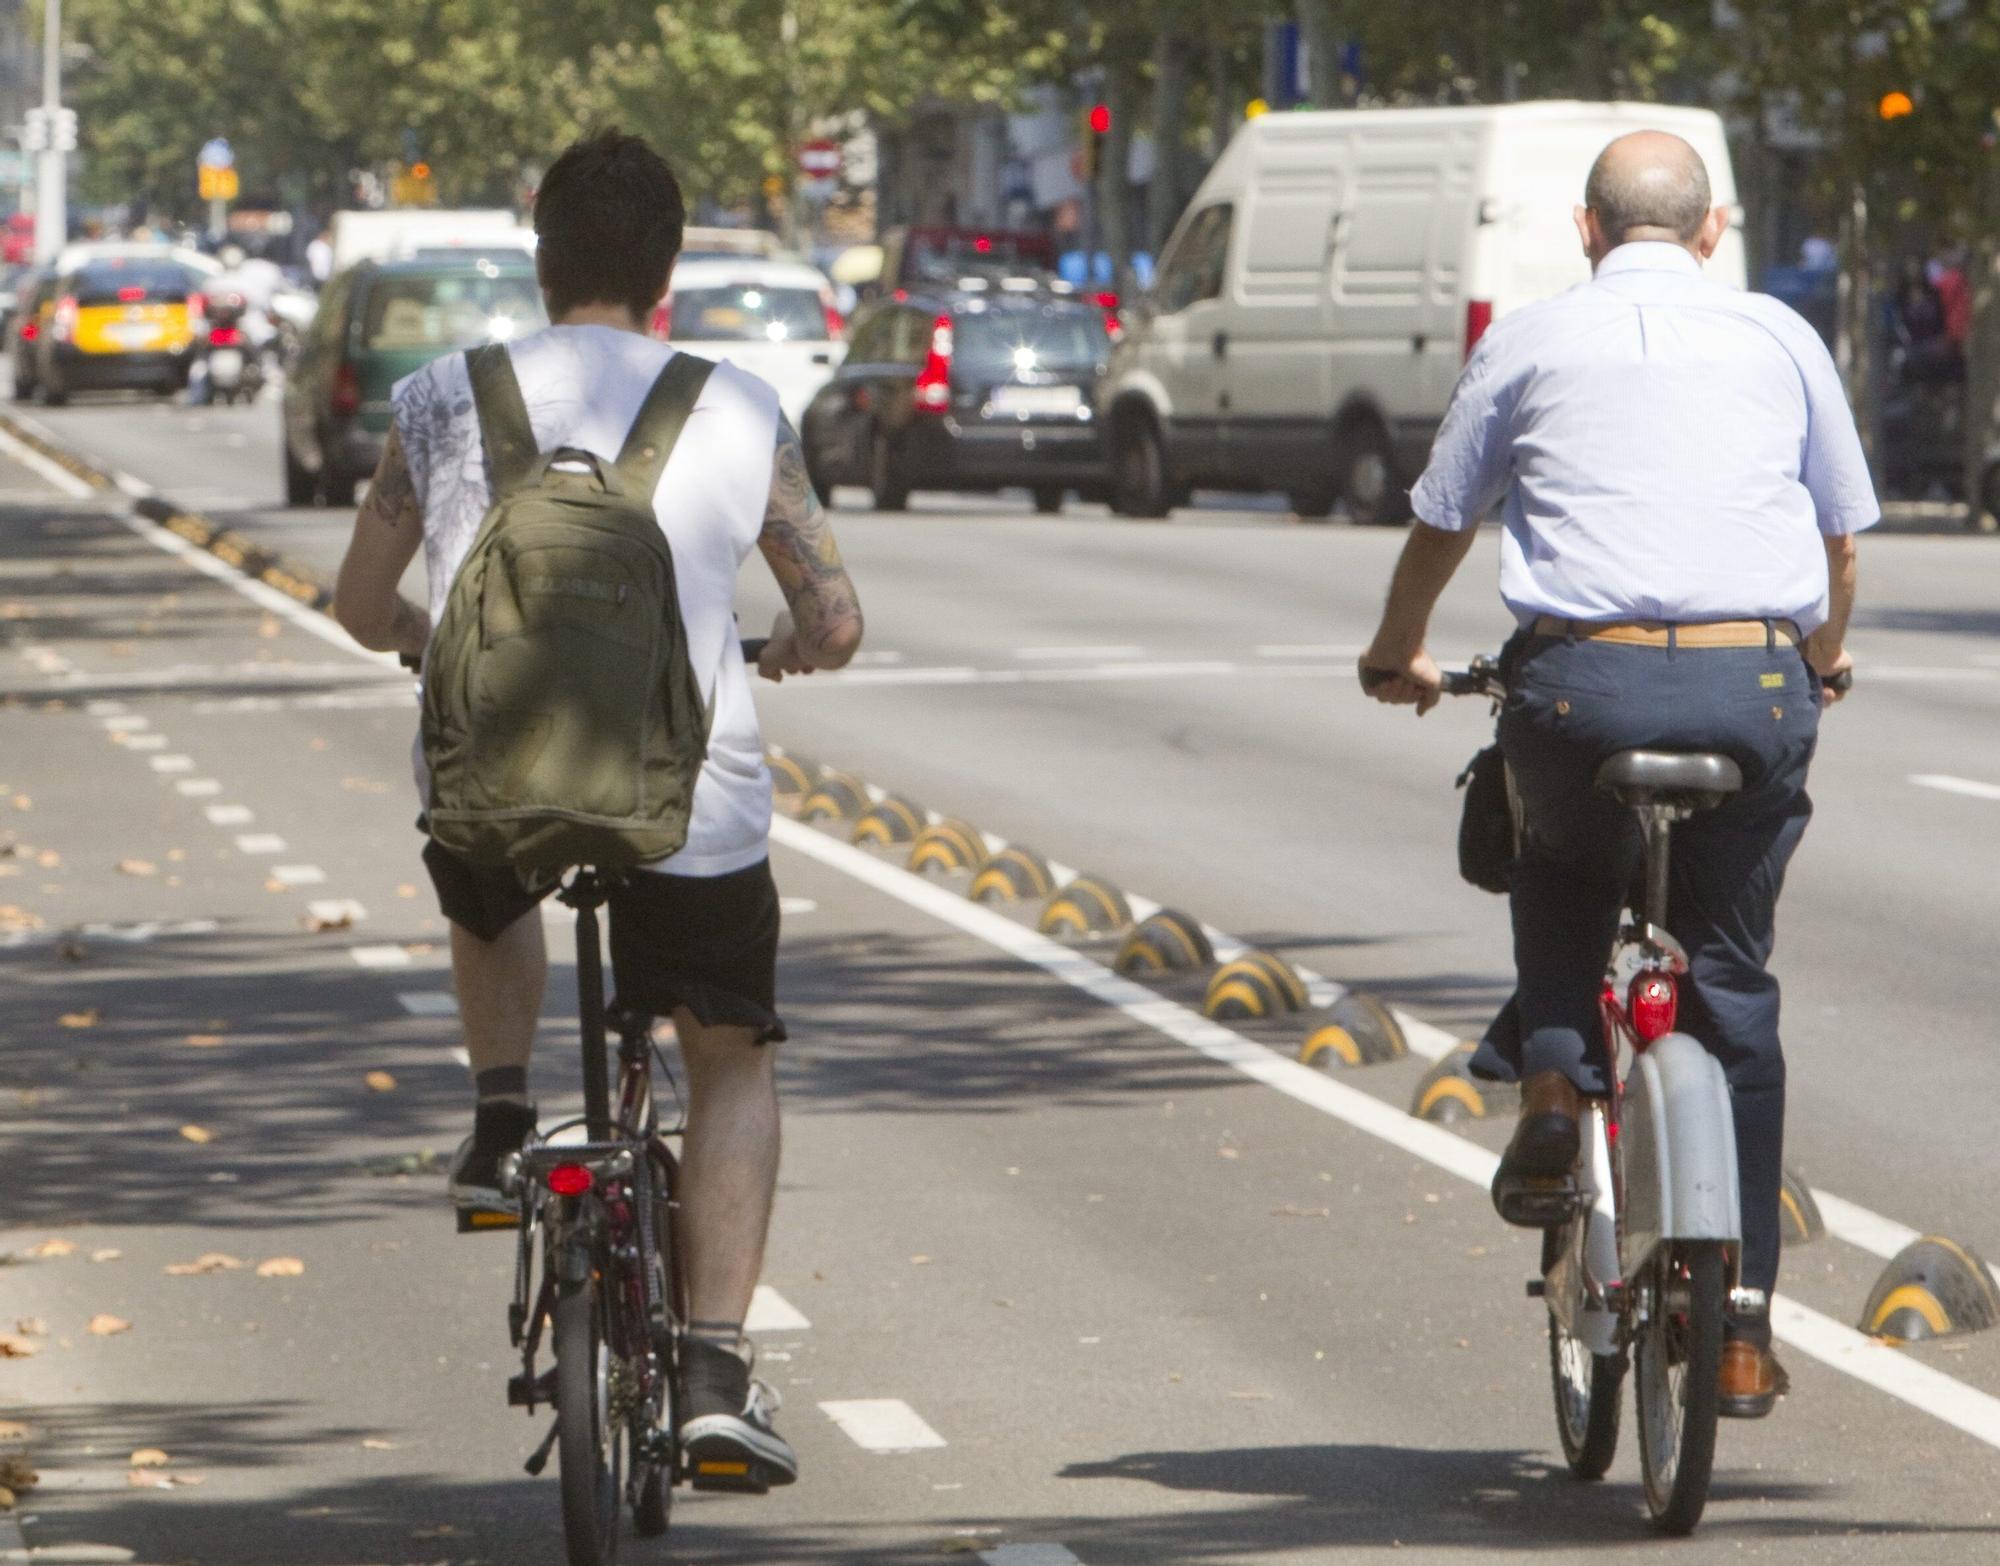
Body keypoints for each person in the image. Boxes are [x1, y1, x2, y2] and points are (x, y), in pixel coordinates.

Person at [330, 129, 863, 1487]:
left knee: (484, 867)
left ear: (540, 258)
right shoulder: (739, 408)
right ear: (669, 270)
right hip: (693, 807)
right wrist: (788, 648)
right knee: (732, 1051)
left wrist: (415, 634)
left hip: (493, 786)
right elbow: (837, 617)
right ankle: (710, 1365)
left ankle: (504, 1111)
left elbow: (355, 600)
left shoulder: (441, 400)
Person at [1358, 130, 1876, 1419]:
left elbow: (1444, 518)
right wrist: (1819, 658)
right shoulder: (1784, 337)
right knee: (1733, 985)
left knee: (1560, 862)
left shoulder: (1528, 340)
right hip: (1753, 692)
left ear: (1587, 231)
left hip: (1578, 691)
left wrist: (1399, 649)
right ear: (1713, 233)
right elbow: (1840, 538)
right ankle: (1745, 1325)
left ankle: (1550, 1080)